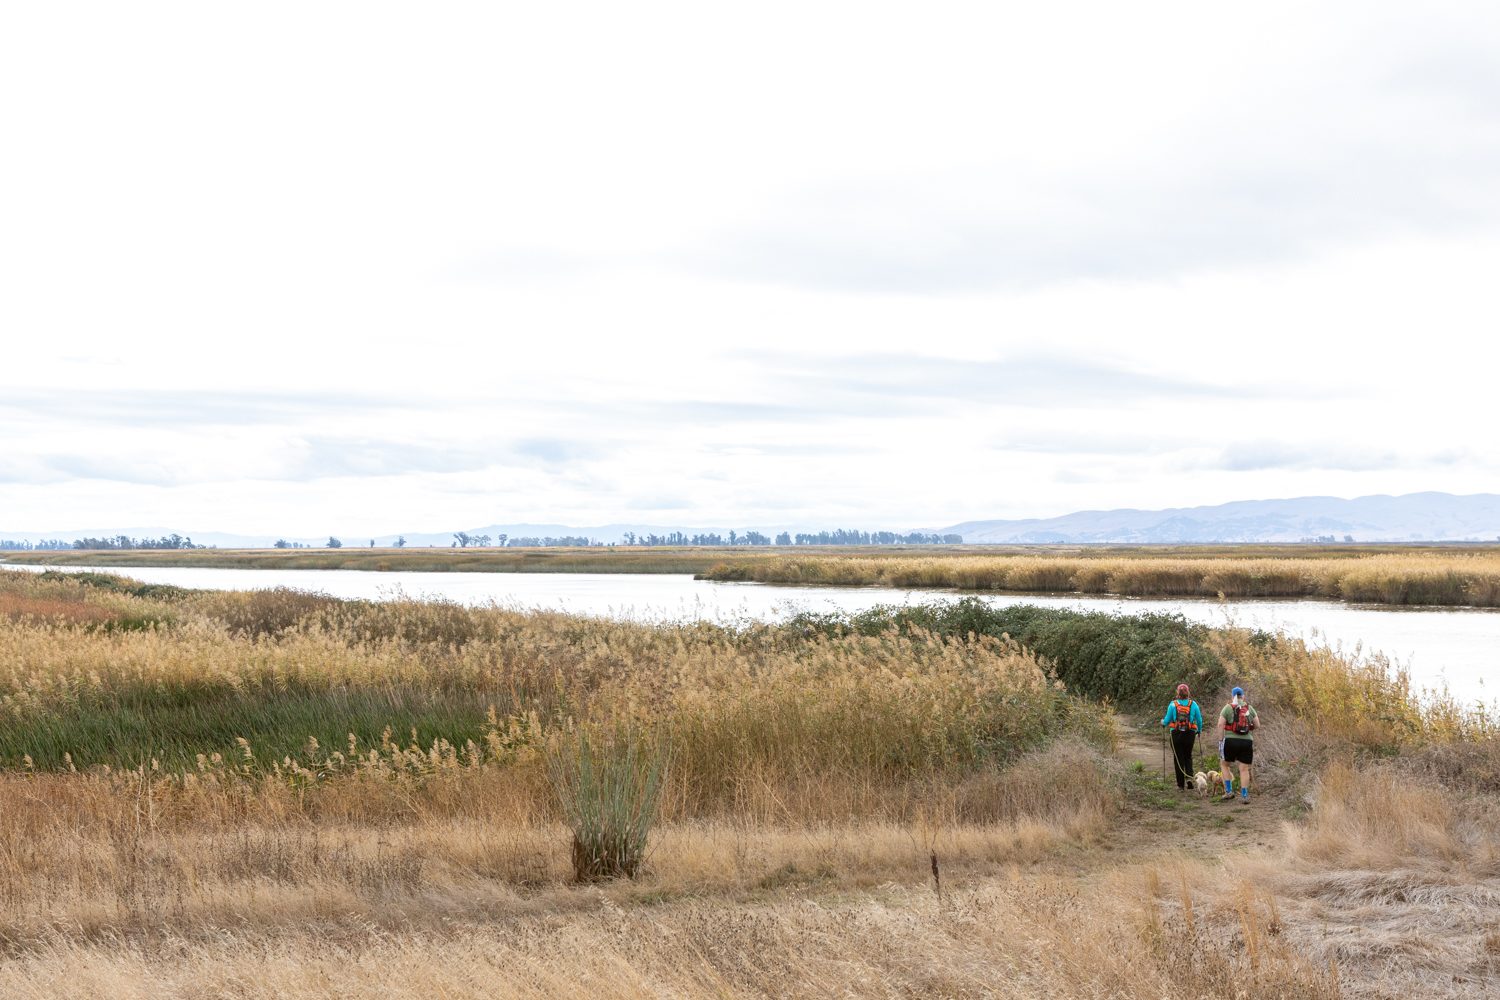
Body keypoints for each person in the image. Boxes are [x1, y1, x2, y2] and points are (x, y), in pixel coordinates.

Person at [1218, 686, 1259, 804]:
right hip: (1246, 742)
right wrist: (1248, 729)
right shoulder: (1249, 708)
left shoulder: (1227, 707)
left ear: (1232, 696)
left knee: (1225, 764)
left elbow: (1220, 725)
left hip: (1230, 741)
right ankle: (1245, 795)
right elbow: (1258, 725)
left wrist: (1221, 741)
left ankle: (1229, 791)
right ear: (1243, 696)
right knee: (1244, 769)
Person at [1159, 683, 1202, 791]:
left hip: (1176, 734)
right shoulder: (1193, 704)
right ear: (1188, 692)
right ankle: (1189, 778)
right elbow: (1199, 720)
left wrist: (1162, 722)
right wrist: (1199, 730)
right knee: (1188, 756)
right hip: (1190, 733)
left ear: (1178, 693)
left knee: (1178, 758)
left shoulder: (1173, 704)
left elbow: (1167, 720)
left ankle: (1180, 785)